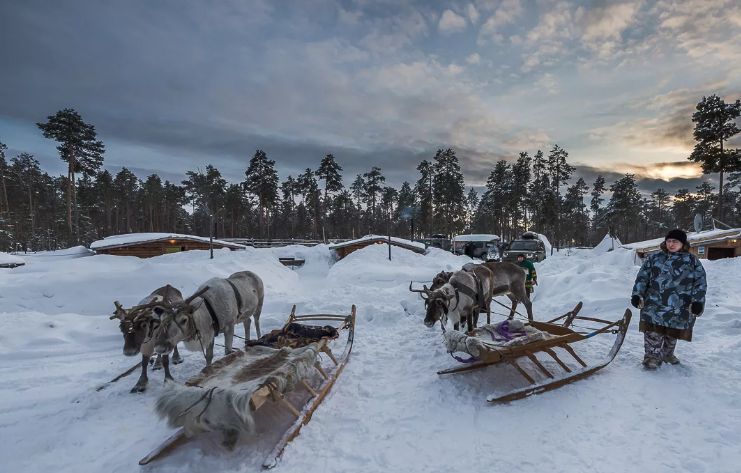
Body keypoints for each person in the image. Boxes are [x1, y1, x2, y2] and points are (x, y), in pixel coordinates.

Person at [631, 229, 707, 370]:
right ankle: (652, 357)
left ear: (682, 244)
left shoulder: (692, 261)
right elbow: (642, 277)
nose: (671, 244)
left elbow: (700, 283)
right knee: (653, 332)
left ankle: (667, 354)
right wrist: (637, 294)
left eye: (675, 241)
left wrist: (697, 302)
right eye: (669, 241)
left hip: (679, 305)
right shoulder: (655, 258)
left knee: (672, 332)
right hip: (654, 304)